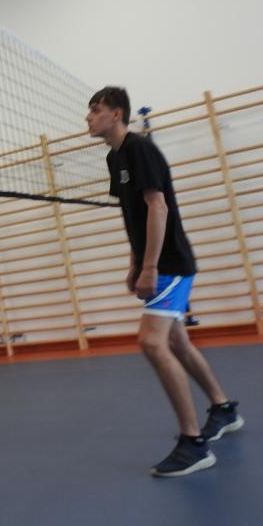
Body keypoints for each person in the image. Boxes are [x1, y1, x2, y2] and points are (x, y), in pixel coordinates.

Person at [86, 87, 244, 477]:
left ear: (116, 114)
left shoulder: (140, 148)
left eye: (95, 110)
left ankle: (193, 444)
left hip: (171, 262)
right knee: (177, 342)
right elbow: (133, 216)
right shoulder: (114, 157)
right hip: (158, 262)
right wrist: (134, 262)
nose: (88, 117)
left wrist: (150, 266)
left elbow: (158, 207)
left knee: (151, 342)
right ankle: (223, 409)